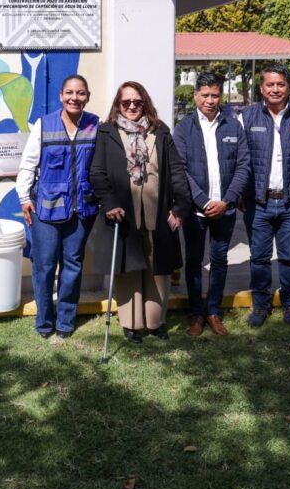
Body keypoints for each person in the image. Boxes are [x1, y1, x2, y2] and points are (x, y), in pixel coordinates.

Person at [90, 81, 192, 343]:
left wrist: (179, 207)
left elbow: (177, 172)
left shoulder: (160, 132)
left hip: (158, 214)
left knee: (158, 270)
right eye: (126, 103)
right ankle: (132, 324)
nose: (132, 107)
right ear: (118, 105)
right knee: (128, 269)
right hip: (123, 214)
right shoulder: (107, 133)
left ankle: (156, 322)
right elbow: (97, 173)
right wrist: (110, 203)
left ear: (145, 103)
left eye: (137, 102)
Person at [15, 74, 99, 339]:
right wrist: (24, 199)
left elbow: (102, 167)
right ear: (61, 95)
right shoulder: (44, 124)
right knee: (45, 265)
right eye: (70, 93)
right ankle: (44, 321)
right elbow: (28, 163)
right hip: (47, 210)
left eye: (81, 93)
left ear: (87, 96)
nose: (75, 98)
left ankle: (65, 321)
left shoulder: (96, 125)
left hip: (82, 209)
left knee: (73, 265)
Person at [173, 72, 250, 337]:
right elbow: (181, 171)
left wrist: (227, 200)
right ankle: (196, 313)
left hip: (225, 210)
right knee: (194, 262)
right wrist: (204, 202)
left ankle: (213, 311)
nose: (210, 100)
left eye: (214, 95)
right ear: (195, 96)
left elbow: (243, 165)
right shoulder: (183, 128)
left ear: (221, 96)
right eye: (204, 95)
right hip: (197, 211)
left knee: (220, 260)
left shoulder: (232, 125)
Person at [240, 62, 290, 327]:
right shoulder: (245, 117)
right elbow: (239, 160)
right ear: (261, 88)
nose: (275, 89)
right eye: (270, 84)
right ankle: (260, 305)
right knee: (259, 258)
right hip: (258, 202)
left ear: (288, 87)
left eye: (280, 84)